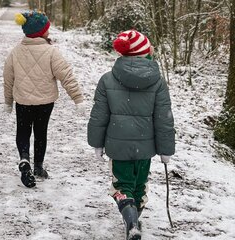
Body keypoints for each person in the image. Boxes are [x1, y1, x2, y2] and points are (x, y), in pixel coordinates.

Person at [87, 30, 175, 240]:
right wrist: (166, 150)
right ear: (145, 52)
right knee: (139, 185)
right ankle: (135, 218)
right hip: (146, 147)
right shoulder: (158, 81)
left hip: (117, 147)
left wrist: (97, 143)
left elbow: (99, 115)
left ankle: (130, 218)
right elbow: (164, 118)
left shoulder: (107, 79)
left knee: (122, 185)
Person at [3, 10, 84, 188]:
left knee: (23, 131)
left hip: (23, 101)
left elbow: (8, 79)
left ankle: (24, 160)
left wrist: (8, 101)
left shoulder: (15, 52)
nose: (49, 31)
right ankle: (38, 167)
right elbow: (66, 76)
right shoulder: (51, 52)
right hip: (45, 103)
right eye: (47, 28)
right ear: (41, 32)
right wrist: (77, 98)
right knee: (41, 132)